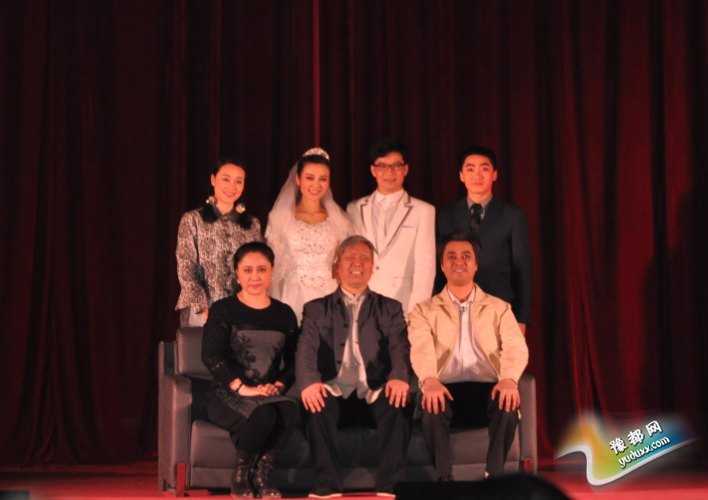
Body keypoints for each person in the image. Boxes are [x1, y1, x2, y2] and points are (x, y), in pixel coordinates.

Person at [296, 235, 412, 498]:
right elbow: (305, 349)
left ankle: (391, 485)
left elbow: (400, 346)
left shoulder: (391, 307)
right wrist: (309, 382)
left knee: (398, 401)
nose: (357, 263)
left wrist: (399, 376)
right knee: (314, 403)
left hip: (375, 391)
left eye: (364, 258)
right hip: (333, 390)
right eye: (350, 257)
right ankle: (328, 484)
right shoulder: (315, 309)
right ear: (337, 267)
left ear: (372, 268)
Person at [408, 230, 529, 481]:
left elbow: (516, 346)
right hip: (445, 389)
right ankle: (445, 480)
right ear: (442, 265)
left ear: (476, 264)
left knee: (508, 402)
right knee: (431, 404)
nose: (458, 262)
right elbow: (420, 348)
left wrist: (509, 379)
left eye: (466, 256)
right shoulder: (423, 310)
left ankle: (493, 478)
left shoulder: (500, 308)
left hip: (487, 390)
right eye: (451, 257)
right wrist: (429, 379)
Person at [202, 241, 299, 499]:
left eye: (261, 270)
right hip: (227, 392)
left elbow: (294, 360)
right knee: (264, 412)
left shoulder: (285, 314)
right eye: (247, 270)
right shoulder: (223, 309)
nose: (255, 277)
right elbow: (210, 355)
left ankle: (261, 476)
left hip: (266, 392)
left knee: (289, 408)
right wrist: (242, 388)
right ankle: (240, 477)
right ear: (237, 272)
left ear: (272, 271)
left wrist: (279, 385)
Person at [434, 146, 532, 333]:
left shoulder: (513, 215)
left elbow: (522, 270)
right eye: (470, 169)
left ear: (494, 174)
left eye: (484, 169)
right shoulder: (445, 214)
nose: (477, 175)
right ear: (461, 175)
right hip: (453, 309)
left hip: (498, 309)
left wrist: (522, 318)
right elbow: (439, 268)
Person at [346, 138, 436, 317]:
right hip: (361, 302)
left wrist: (416, 312)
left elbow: (425, 267)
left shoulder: (423, 210)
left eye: (396, 166)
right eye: (382, 166)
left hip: (402, 303)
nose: (389, 172)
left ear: (405, 169)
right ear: (373, 170)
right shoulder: (354, 208)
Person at [265, 148, 351, 323]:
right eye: (310, 178)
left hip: (328, 295)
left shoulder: (338, 220)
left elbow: (340, 266)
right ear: (298, 179)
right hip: (292, 296)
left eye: (322, 179)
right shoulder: (281, 218)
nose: (316, 185)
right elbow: (274, 267)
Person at [176, 157, 263, 327]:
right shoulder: (193, 219)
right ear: (213, 180)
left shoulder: (252, 224)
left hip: (241, 307)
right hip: (203, 307)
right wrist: (203, 308)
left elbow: (258, 267)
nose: (232, 187)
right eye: (226, 179)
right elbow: (186, 267)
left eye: (238, 181)